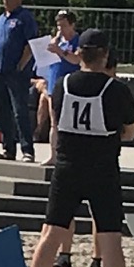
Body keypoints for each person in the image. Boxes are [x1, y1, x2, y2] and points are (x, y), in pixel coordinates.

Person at [27, 29, 134, 267]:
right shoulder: (116, 90)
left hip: (67, 166)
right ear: (105, 55)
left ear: (81, 55)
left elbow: (57, 120)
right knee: (111, 239)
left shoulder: (63, 84)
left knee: (50, 234)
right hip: (103, 168)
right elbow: (129, 131)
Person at [0, 0, 38, 162]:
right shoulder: (2, 18)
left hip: (16, 72)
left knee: (20, 111)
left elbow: (30, 44)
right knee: (2, 111)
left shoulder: (24, 17)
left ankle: (27, 149)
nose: (5, 0)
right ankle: (8, 148)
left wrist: (21, 65)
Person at [38, 9, 83, 168]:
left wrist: (59, 51)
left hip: (71, 87)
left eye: (64, 26)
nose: (60, 30)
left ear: (72, 25)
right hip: (53, 86)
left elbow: (76, 59)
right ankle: (53, 155)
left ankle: (72, 155)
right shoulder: (57, 41)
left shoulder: (78, 41)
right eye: (58, 26)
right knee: (54, 123)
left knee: (71, 124)